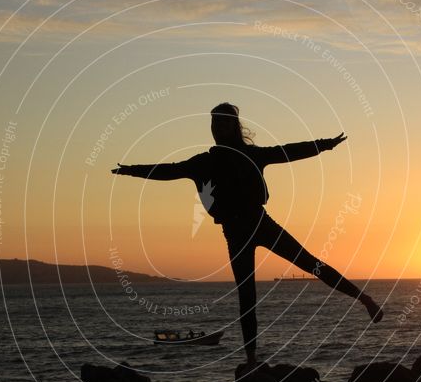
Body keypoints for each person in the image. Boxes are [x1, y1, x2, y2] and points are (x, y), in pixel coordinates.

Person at [112, 102, 383, 363]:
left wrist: (324, 145)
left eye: (223, 122)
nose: (217, 127)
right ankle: (251, 359)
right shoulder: (203, 162)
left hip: (261, 223)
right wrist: (131, 171)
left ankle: (365, 299)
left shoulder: (252, 156)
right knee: (247, 297)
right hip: (235, 233)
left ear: (234, 127)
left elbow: (288, 151)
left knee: (311, 264)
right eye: (214, 122)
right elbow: (167, 171)